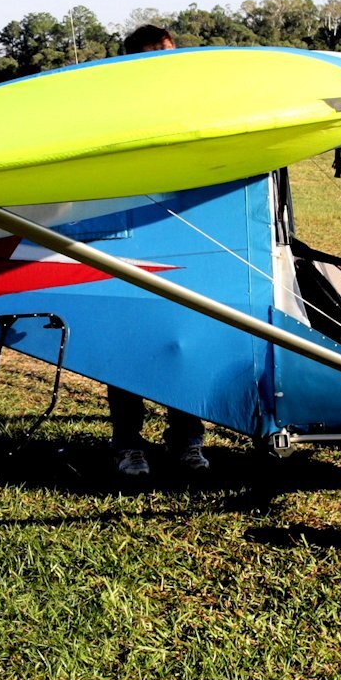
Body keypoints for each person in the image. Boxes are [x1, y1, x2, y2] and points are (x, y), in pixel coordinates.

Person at [108, 25, 208, 478]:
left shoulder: (190, 110)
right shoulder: (117, 114)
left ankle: (187, 440)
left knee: (183, 344)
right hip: (129, 247)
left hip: (186, 246)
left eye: (166, 56)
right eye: (148, 57)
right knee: (127, 347)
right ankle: (128, 446)